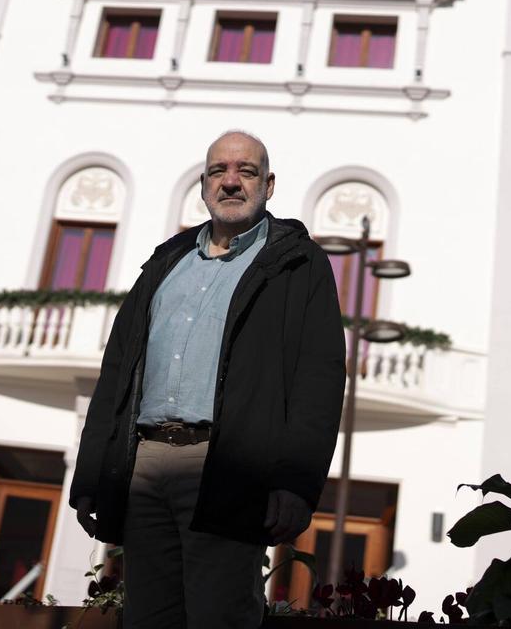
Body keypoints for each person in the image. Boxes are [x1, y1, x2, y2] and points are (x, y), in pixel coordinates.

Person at [70, 130, 347, 628]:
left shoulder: (298, 264)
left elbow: (319, 380)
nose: (232, 182)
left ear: (269, 184)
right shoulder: (166, 261)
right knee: (146, 618)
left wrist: (296, 483)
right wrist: (93, 471)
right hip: (145, 462)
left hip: (228, 467)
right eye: (219, 171)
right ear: (203, 185)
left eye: (247, 171)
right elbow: (118, 369)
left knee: (218, 616)